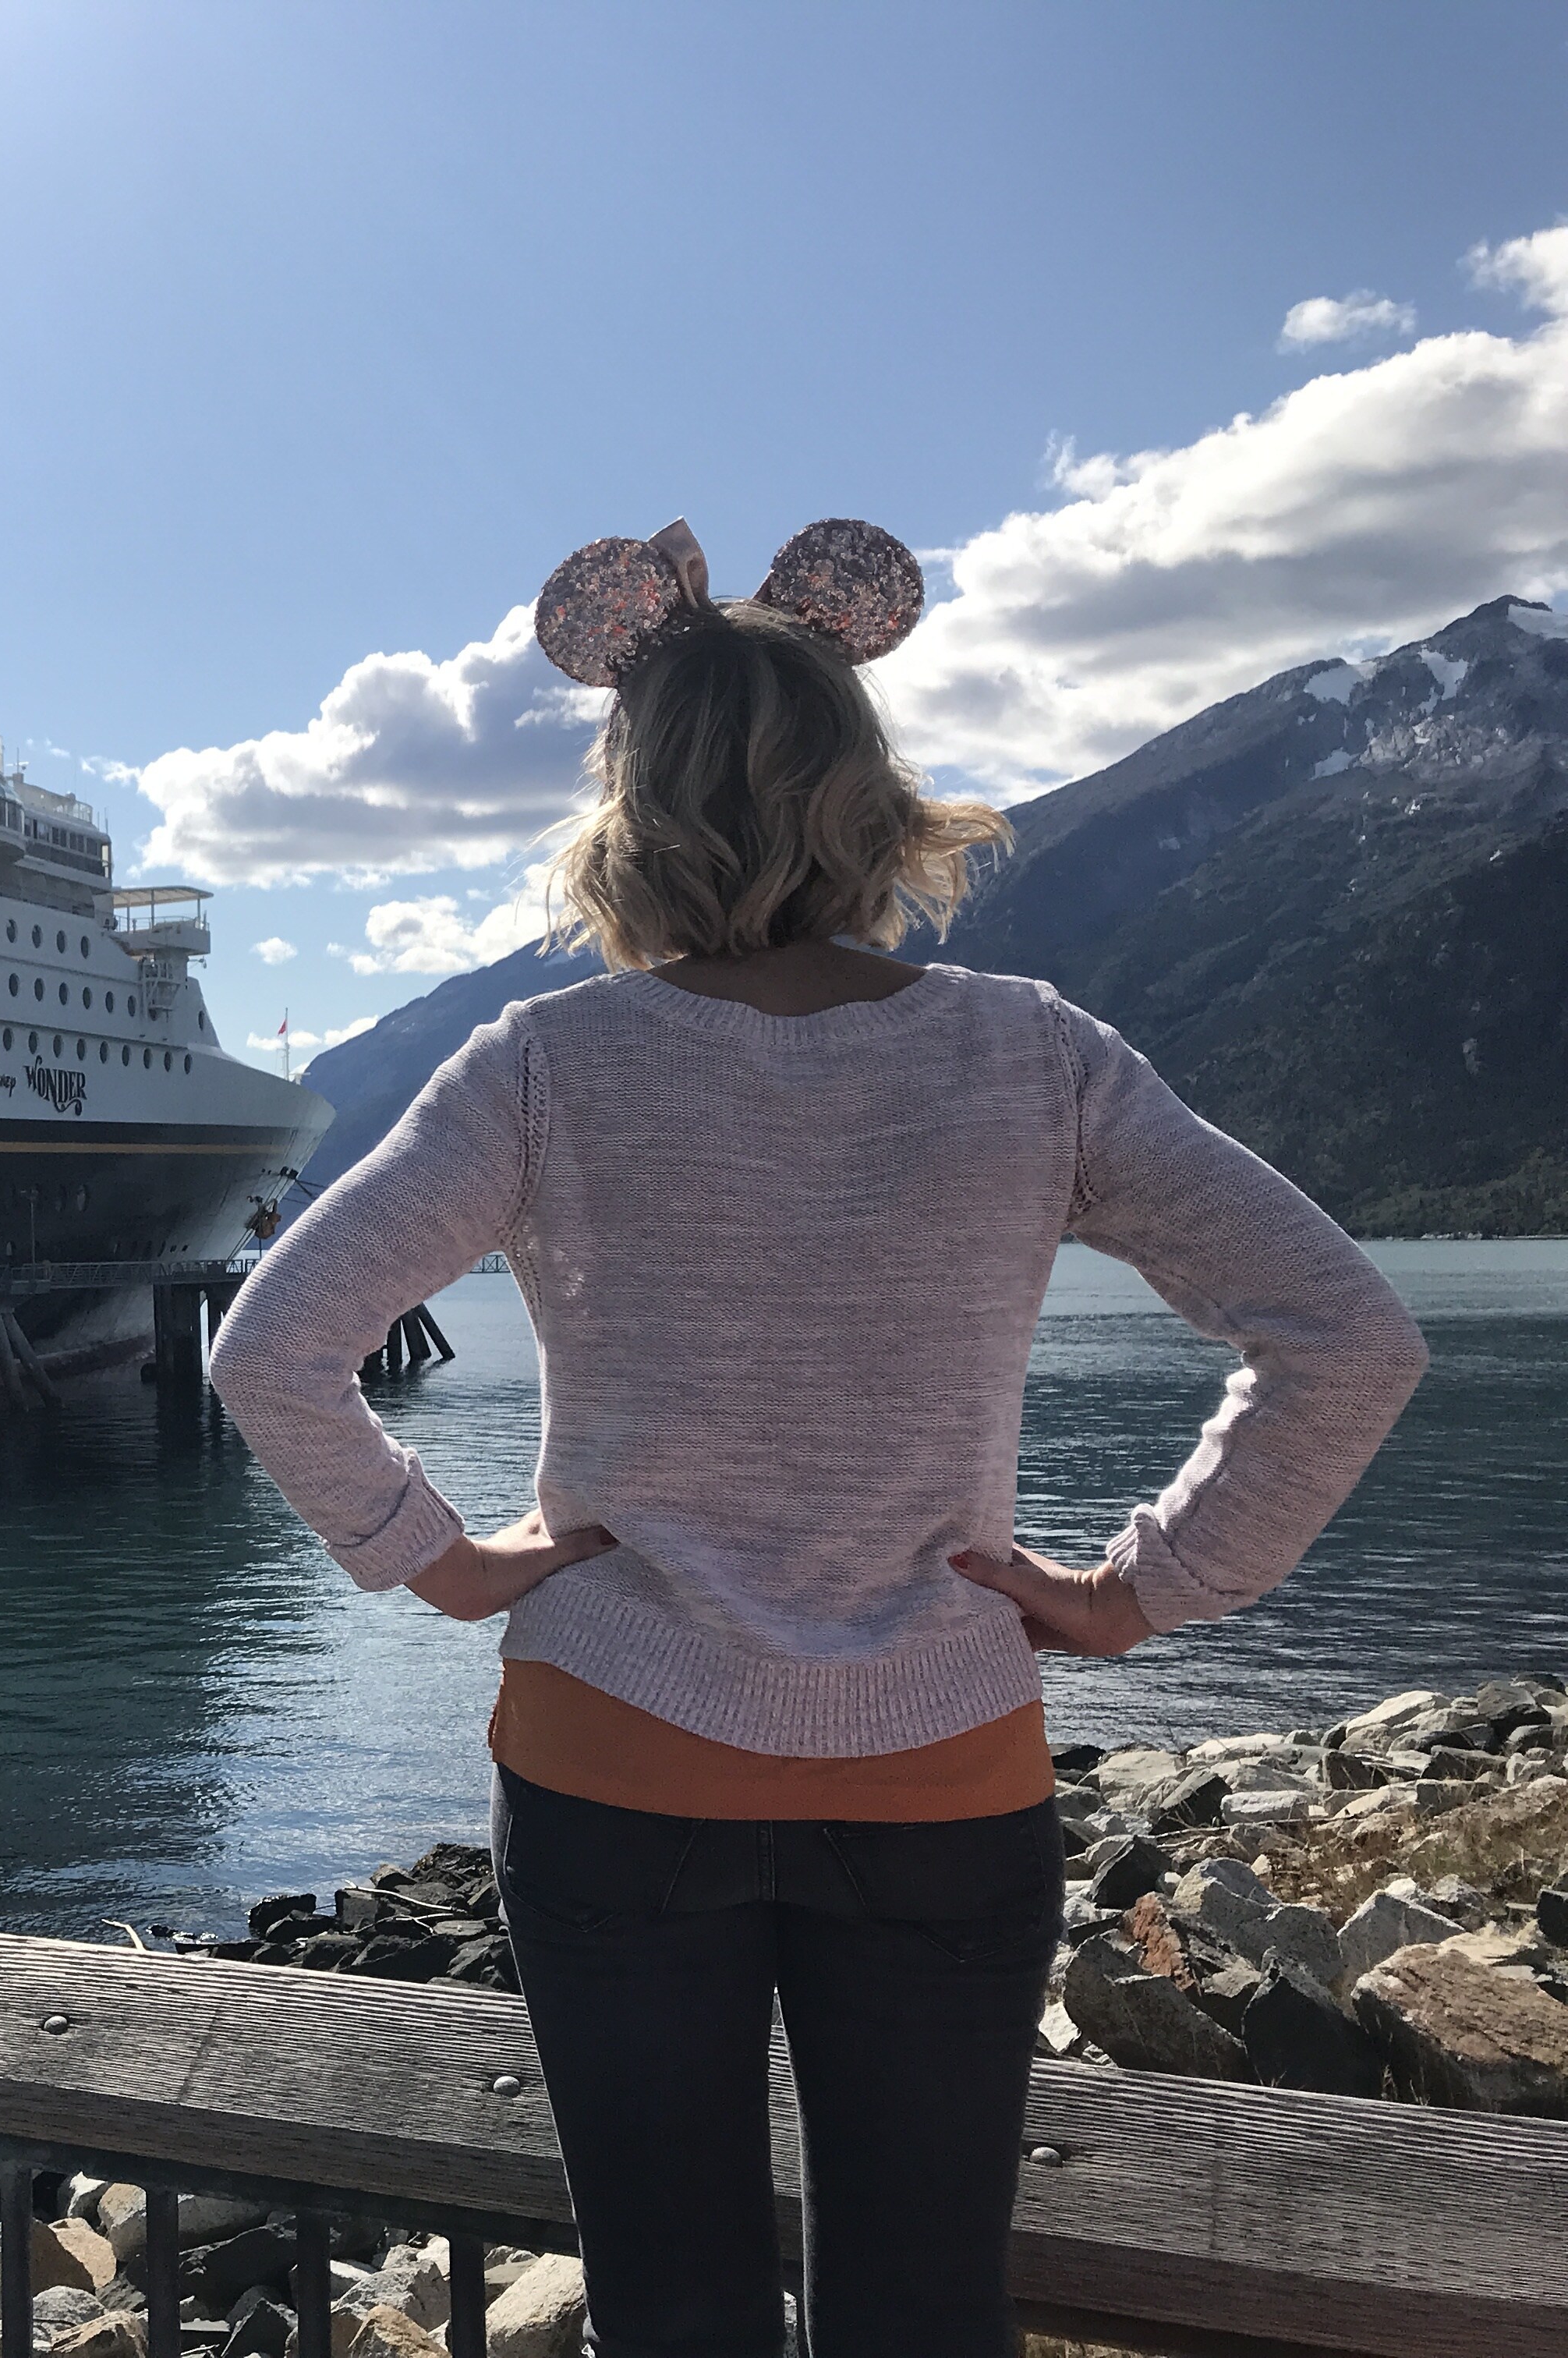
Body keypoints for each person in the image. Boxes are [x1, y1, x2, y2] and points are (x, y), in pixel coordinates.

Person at [207, 516, 1428, 2358]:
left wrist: (444, 1565)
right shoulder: (1035, 1055)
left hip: (612, 1757)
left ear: (634, 808)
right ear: (869, 796)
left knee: (673, 2301)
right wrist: (1142, 1595)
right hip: (944, 1764)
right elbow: (1349, 1331)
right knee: (928, 2306)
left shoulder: (544, 1063)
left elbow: (273, 1345)